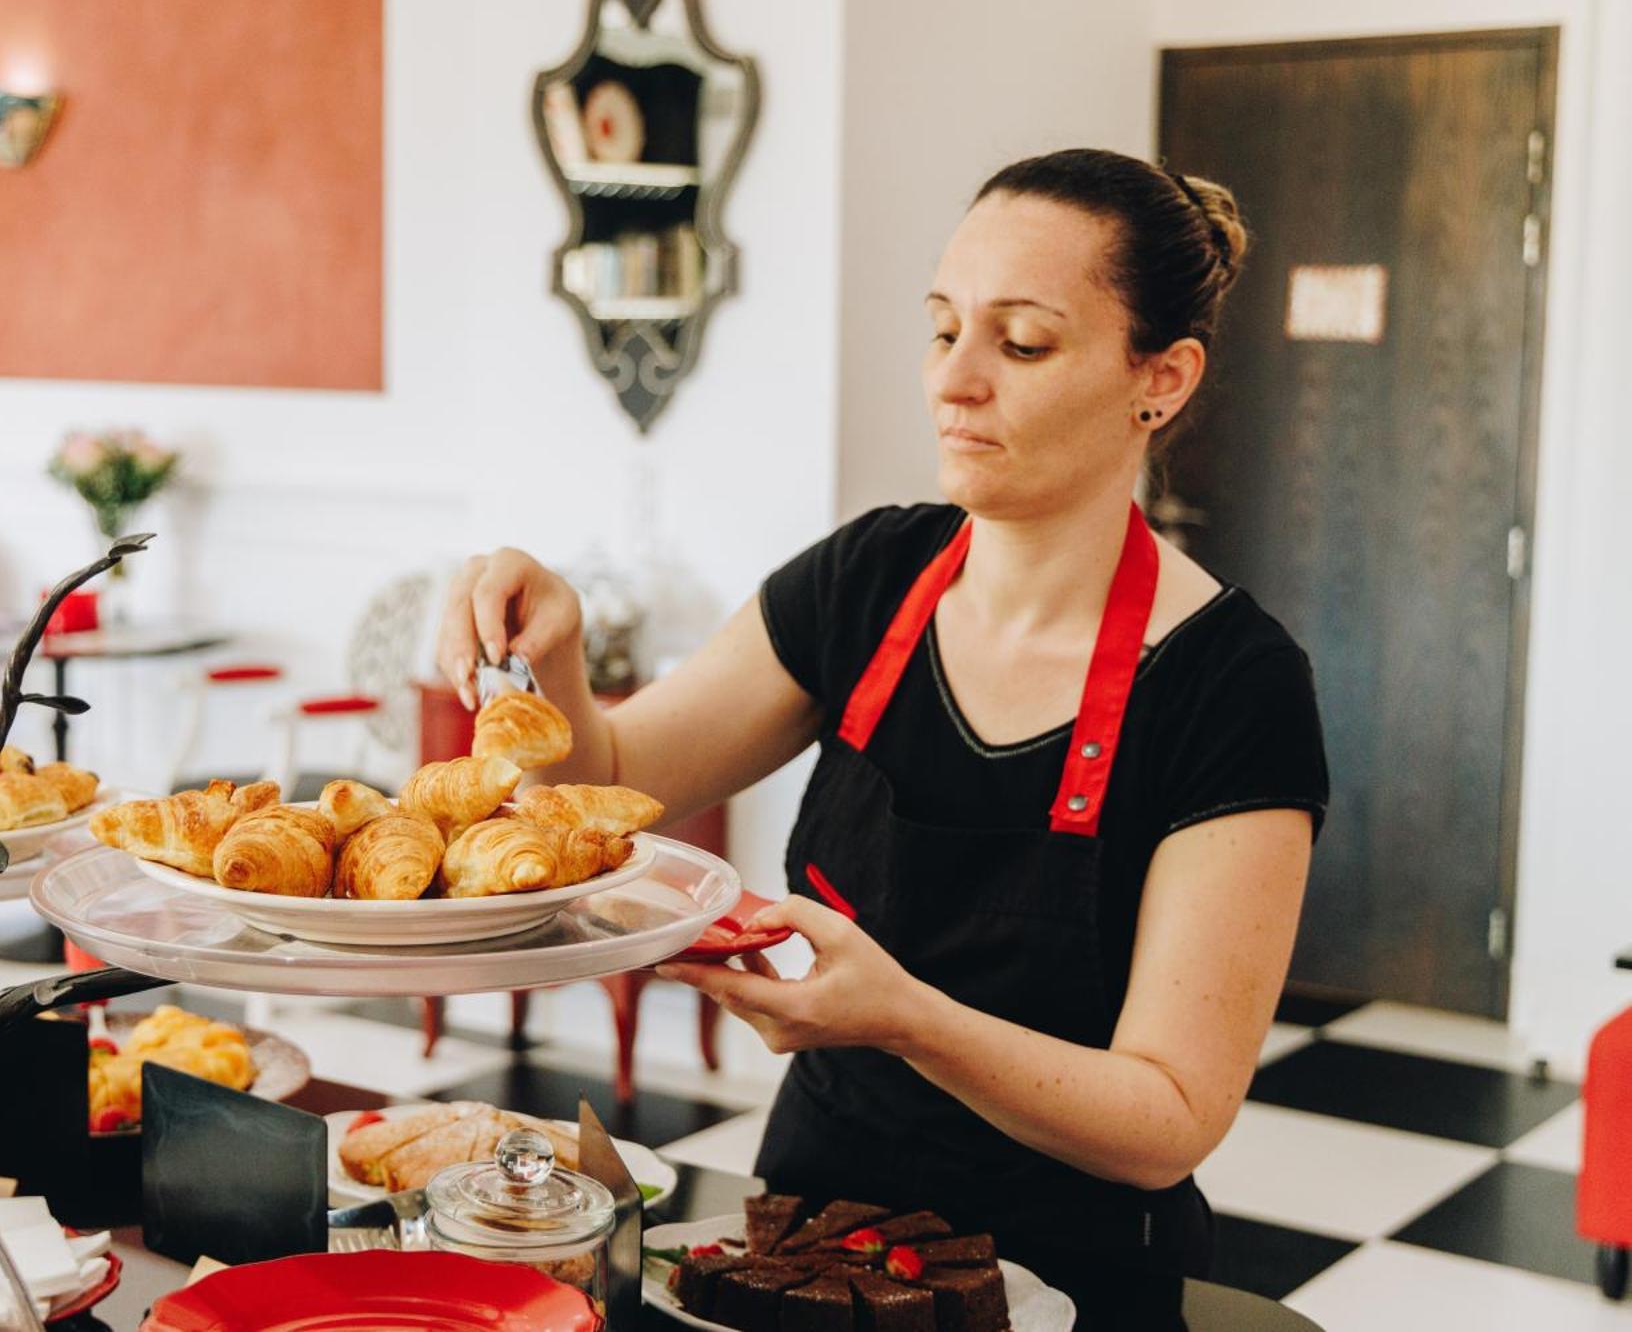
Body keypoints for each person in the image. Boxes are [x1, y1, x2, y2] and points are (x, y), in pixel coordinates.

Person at [437, 148, 1328, 1300]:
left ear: (1158, 377)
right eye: (942, 328)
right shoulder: (868, 576)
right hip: (806, 1238)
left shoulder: (1231, 684)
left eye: (1020, 343)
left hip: (1067, 1276)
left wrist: (906, 1018)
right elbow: (610, 773)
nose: (953, 382)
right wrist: (552, 651)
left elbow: (1166, 1118)